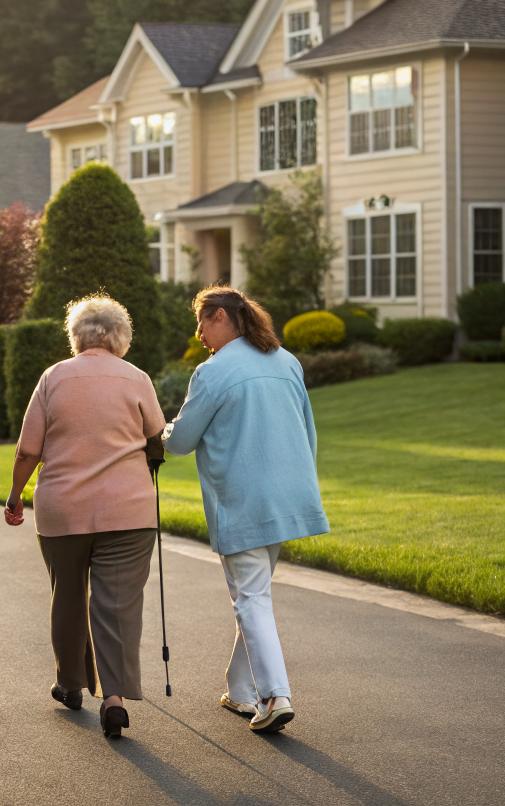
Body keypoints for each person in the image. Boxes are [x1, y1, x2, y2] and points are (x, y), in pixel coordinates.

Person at [162, 286, 329, 734]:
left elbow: (179, 441)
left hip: (243, 501)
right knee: (253, 594)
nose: (198, 332)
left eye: (201, 321)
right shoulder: (286, 360)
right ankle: (240, 690)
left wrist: (158, 432)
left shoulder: (213, 371)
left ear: (220, 316)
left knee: (251, 597)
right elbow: (308, 429)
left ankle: (275, 695)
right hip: (288, 497)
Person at [4, 295, 166, 740]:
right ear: (120, 336)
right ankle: (112, 697)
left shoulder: (53, 377)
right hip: (129, 513)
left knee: (69, 596)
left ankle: (71, 684)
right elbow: (157, 438)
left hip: (63, 510)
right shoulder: (136, 378)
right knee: (116, 606)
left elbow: (28, 450)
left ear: (76, 336)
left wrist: (16, 495)